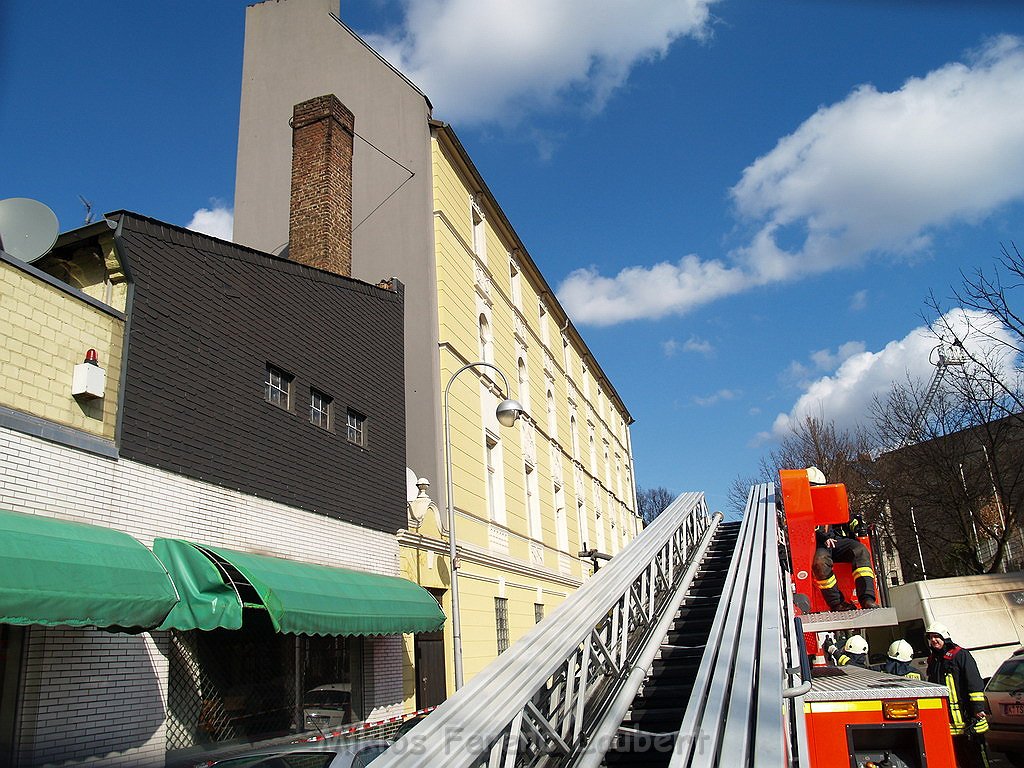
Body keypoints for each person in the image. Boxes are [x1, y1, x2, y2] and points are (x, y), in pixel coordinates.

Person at [807, 466, 878, 611]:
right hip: (817, 545)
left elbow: (847, 517)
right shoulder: (801, 505)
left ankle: (867, 599)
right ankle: (837, 603)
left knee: (860, 550)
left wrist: (858, 526)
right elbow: (805, 528)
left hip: (836, 541)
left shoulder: (830, 499)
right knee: (820, 562)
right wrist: (823, 536)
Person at [925, 622, 990, 768]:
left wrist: (978, 709)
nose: (933, 640)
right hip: (950, 723)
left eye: (937, 637)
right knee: (960, 760)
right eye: (930, 637)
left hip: (969, 720)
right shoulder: (934, 660)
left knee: (977, 759)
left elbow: (974, 682)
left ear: (945, 637)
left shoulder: (960, 655)